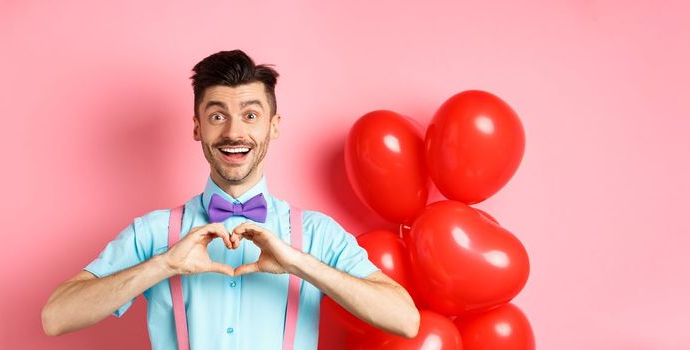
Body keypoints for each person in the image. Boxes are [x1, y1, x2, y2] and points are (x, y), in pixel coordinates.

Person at [41, 49, 419, 349]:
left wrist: (299, 264)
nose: (234, 132)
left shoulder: (316, 233)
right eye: (217, 116)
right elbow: (56, 316)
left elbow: (405, 319)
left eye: (251, 115)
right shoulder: (155, 231)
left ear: (273, 125)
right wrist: (165, 264)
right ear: (197, 127)